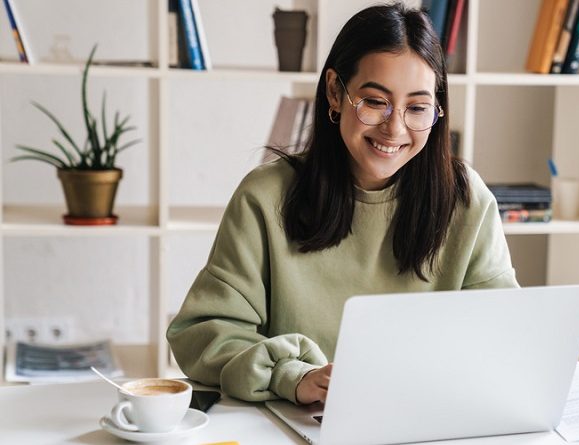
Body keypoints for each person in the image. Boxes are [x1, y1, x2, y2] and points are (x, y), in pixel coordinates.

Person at [167, 3, 519, 406]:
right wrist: (291, 375)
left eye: (417, 108)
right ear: (335, 91)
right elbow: (202, 332)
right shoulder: (265, 197)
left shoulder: (466, 200)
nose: (395, 128)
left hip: (428, 416)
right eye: (374, 101)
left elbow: (502, 333)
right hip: (301, 421)